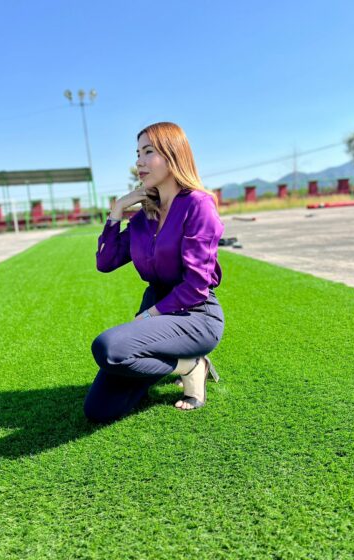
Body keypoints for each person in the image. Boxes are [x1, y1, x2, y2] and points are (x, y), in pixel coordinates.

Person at [84, 121, 225, 423]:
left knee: (108, 348)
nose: (138, 162)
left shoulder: (199, 205)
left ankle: (191, 366)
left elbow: (197, 286)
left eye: (148, 152)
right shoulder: (144, 215)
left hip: (195, 314)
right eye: (137, 153)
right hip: (156, 310)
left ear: (173, 155)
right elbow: (105, 262)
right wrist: (117, 211)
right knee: (98, 410)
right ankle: (184, 364)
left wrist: (150, 315)